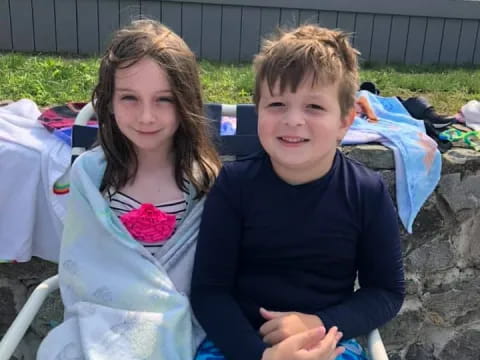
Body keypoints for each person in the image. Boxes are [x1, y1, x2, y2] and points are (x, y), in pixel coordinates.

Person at [190, 24, 405, 360]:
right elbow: (209, 292)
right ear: (257, 109)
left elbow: (386, 291)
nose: (292, 120)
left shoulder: (366, 192)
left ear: (345, 121)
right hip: (237, 342)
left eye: (314, 107)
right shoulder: (233, 186)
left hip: (327, 342)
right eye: (276, 104)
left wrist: (318, 324)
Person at [37, 19, 220, 359]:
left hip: (183, 328)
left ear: (187, 102)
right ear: (108, 101)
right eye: (129, 98)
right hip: (100, 324)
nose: (146, 117)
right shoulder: (89, 176)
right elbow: (82, 270)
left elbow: (210, 276)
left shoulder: (205, 182)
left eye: (164, 99)